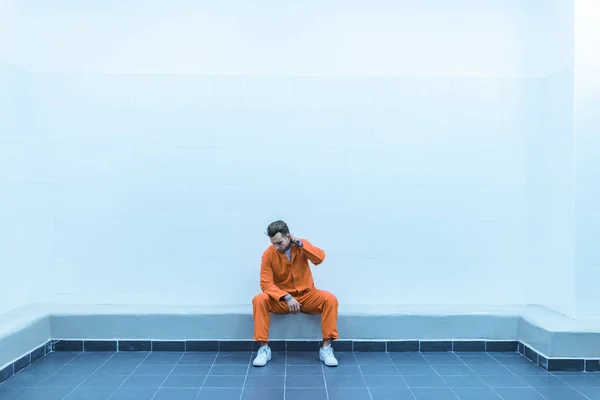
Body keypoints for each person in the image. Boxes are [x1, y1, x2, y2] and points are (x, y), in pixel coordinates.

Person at [252, 220, 339, 367]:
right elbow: (265, 284)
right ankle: (263, 349)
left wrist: (300, 244)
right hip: (283, 300)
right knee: (259, 299)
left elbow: (319, 258)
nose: (276, 247)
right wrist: (286, 296)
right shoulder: (268, 254)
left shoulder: (301, 245)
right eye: (274, 243)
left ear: (288, 237)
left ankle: (326, 348)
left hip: (307, 296)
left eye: (279, 243)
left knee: (330, 299)